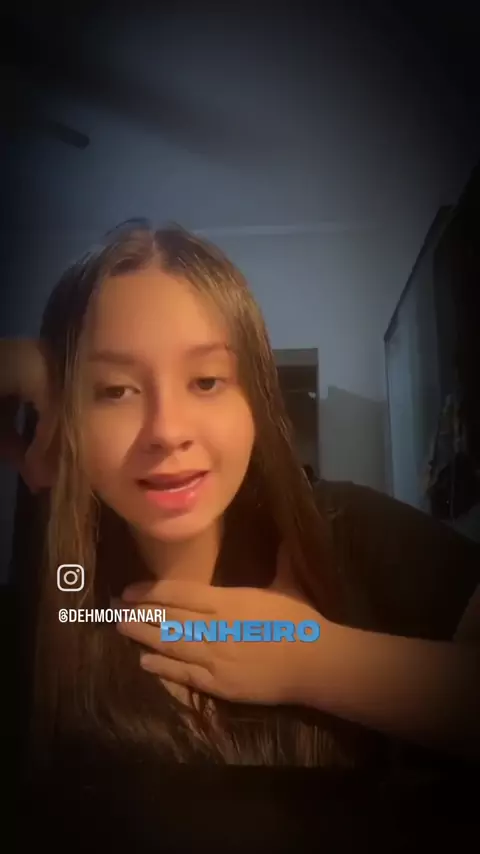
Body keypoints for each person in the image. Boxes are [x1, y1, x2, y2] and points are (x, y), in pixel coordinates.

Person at [1, 224, 479, 790]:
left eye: (206, 381)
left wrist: (313, 663)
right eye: (116, 390)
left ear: (255, 398)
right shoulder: (56, 591)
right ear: (69, 415)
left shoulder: (341, 527)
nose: (167, 431)